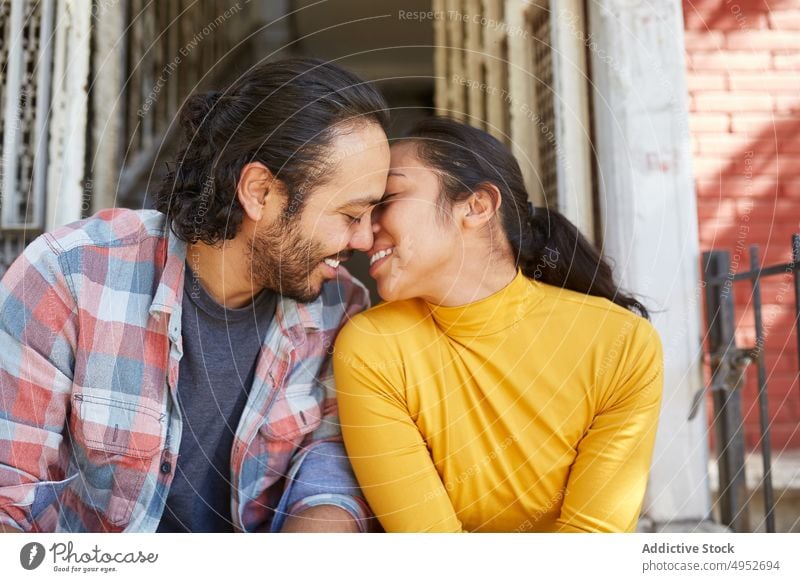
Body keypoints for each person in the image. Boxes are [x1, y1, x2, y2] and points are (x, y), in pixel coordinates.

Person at [0, 58, 390, 532]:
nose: (366, 241)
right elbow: (8, 498)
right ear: (260, 192)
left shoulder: (340, 309)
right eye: (351, 215)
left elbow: (328, 469)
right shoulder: (68, 277)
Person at [333, 117, 664, 533]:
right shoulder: (373, 347)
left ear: (476, 206)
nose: (362, 234)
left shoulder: (621, 343)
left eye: (388, 199)